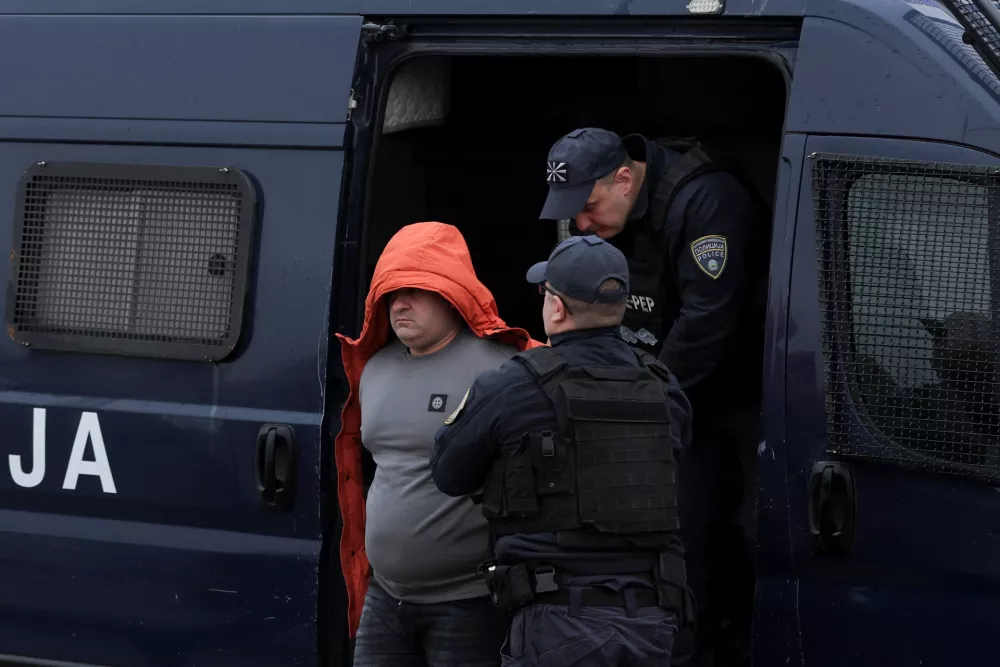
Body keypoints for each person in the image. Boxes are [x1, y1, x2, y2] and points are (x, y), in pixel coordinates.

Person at [539, 127, 770, 666]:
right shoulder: (601, 211)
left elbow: (708, 322)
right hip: (651, 394)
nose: (581, 224)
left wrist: (636, 405)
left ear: (625, 179)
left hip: (727, 399)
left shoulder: (705, 200)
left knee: (719, 537)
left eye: (590, 207)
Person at [429, 234, 694, 667]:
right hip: (655, 618)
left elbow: (447, 473)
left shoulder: (511, 387)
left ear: (557, 307)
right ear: (621, 306)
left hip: (559, 622)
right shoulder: (664, 387)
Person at [332, 221, 545, 666]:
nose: (400, 303)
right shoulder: (373, 368)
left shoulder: (502, 370)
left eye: (416, 290)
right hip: (385, 597)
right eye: (391, 293)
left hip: (467, 602)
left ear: (452, 295)